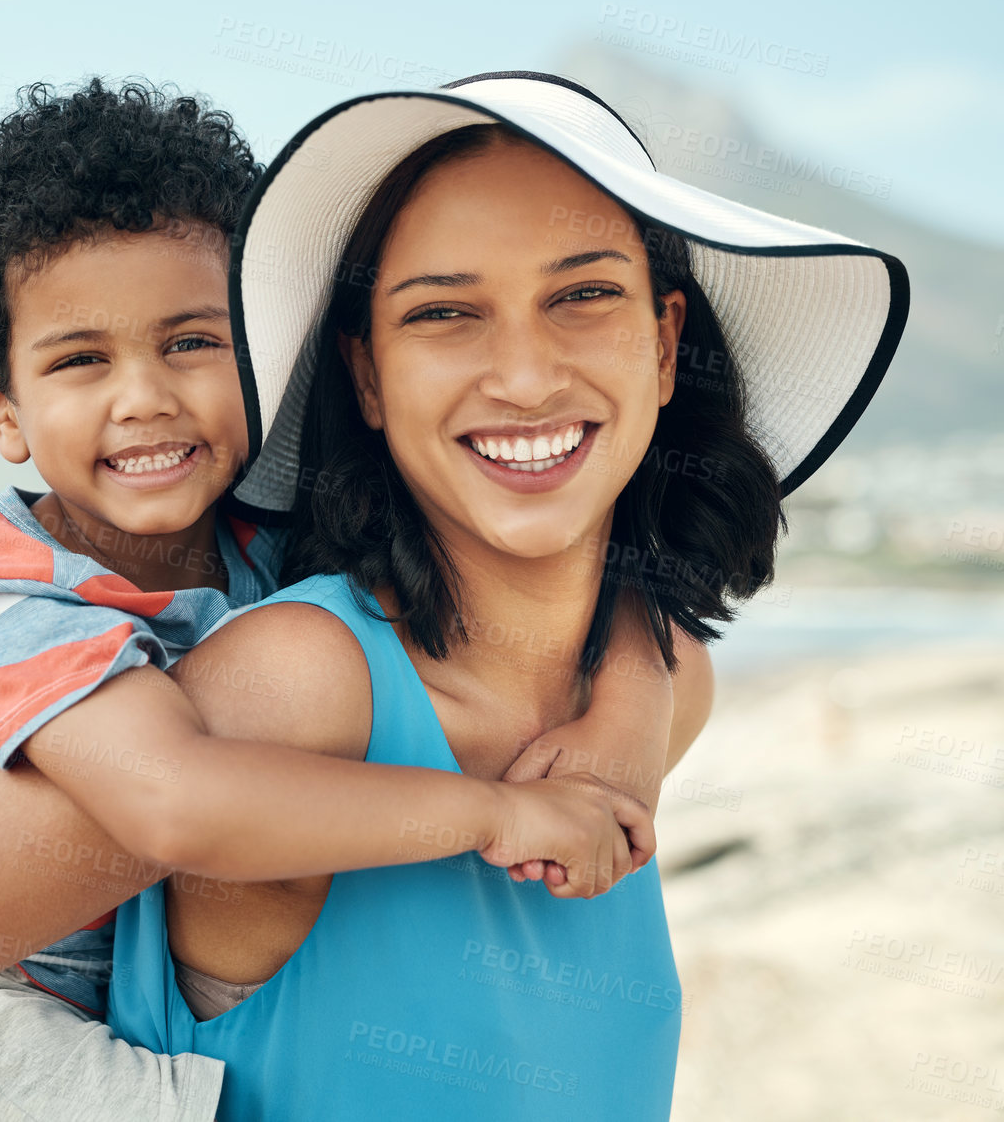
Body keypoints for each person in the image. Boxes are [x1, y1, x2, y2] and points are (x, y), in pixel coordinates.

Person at [0, 76, 698, 1122]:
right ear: (2, 408)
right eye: (81, 359)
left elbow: (618, 599)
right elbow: (174, 802)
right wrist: (490, 813)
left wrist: (631, 711)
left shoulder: (266, 541)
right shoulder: (6, 598)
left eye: (191, 342)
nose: (145, 397)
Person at [105, 71, 908, 1119]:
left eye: (580, 295)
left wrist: (639, 679)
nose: (524, 378)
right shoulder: (291, 691)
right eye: (442, 312)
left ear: (664, 345)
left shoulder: (662, 681)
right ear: (367, 378)